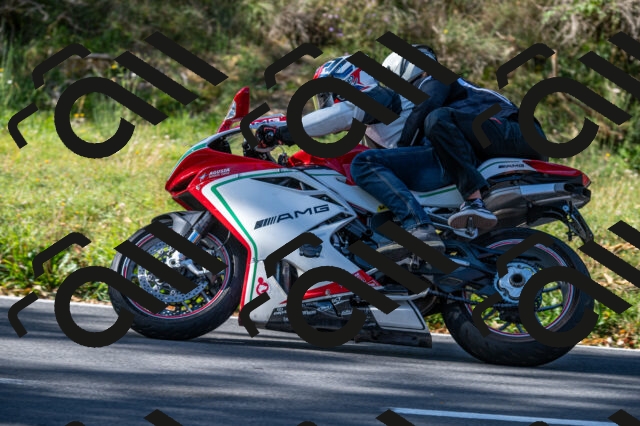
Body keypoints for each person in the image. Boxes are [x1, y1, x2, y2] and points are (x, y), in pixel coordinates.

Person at [254, 56, 449, 255]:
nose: (324, 104)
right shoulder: (372, 124)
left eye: (324, 95)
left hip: (435, 163)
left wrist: (281, 133)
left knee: (363, 164)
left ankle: (419, 228)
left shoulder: (380, 97)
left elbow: (340, 115)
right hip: (426, 166)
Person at [380, 45, 548, 230]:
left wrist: (400, 154)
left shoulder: (436, 77)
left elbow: (426, 107)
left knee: (437, 118)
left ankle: (473, 201)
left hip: (519, 132)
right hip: (506, 138)